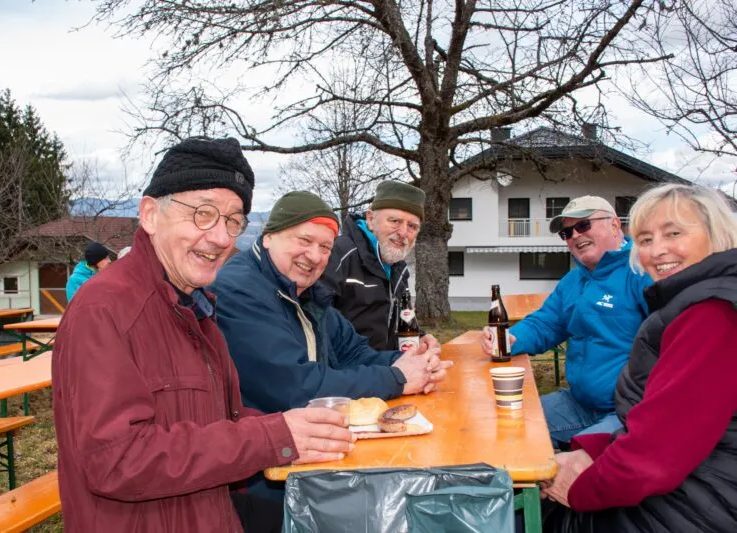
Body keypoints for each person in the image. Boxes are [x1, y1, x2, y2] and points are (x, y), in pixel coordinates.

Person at [52, 138, 355, 533]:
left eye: (233, 222)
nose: (221, 238)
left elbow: (214, 421)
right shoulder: (105, 308)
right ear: (150, 215)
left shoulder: (194, 304)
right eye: (203, 214)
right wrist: (271, 437)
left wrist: (293, 427)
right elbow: (115, 459)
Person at [211, 191, 452, 498]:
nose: (314, 256)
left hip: (311, 458)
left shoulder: (307, 293)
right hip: (261, 480)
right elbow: (296, 387)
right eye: (304, 240)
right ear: (269, 237)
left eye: (325, 247)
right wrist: (398, 378)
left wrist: (413, 363)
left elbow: (355, 352)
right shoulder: (241, 290)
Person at [541, 183, 737, 532]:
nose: (657, 250)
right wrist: (507, 340)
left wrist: (579, 488)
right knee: (516, 428)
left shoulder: (712, 314)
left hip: (700, 502)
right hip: (624, 428)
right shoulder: (687, 300)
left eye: (673, 233)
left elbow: (657, 454)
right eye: (645, 239)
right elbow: (546, 322)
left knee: (534, 511)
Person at [481, 196, 653, 446]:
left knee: (576, 458)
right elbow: (546, 323)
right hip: (578, 403)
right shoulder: (573, 281)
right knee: (501, 425)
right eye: (567, 232)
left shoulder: (642, 272)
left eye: (583, 225)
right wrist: (509, 339)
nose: (575, 235)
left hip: (628, 410)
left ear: (615, 225)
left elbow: (673, 344)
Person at [321, 181, 440, 352]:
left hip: (386, 365)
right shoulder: (337, 255)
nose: (403, 233)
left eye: (412, 226)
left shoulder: (398, 267)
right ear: (370, 219)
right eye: (395, 221)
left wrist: (420, 337)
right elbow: (317, 327)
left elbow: (399, 320)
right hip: (347, 366)